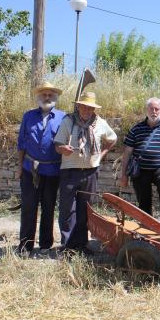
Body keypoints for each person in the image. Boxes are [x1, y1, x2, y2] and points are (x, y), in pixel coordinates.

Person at [54, 91, 117, 253]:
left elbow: (112, 138)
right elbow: (57, 145)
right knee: (67, 209)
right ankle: (67, 245)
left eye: (91, 108)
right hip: (70, 171)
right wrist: (64, 149)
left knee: (85, 209)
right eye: (85, 107)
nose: (87, 110)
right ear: (79, 106)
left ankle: (82, 244)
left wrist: (101, 155)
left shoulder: (100, 123)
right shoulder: (68, 121)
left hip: (90, 172)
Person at [16, 81, 66, 255]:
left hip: (53, 171)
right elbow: (21, 143)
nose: (47, 97)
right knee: (29, 207)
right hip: (30, 169)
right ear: (38, 97)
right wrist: (20, 167)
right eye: (44, 94)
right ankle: (25, 246)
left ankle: (45, 244)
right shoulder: (28, 116)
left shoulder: (63, 117)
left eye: (50, 95)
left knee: (48, 207)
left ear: (55, 98)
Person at [120, 97, 160, 224]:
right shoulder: (136, 129)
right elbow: (127, 153)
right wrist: (123, 175)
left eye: (157, 109)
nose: (154, 111)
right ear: (146, 110)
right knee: (144, 200)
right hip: (140, 170)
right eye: (151, 108)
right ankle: (146, 225)